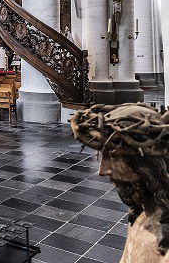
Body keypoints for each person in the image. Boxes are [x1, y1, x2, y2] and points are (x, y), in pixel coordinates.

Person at [71, 103, 169, 262]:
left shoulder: (164, 246)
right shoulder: (141, 215)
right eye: (102, 157)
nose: (102, 171)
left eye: (113, 157)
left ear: (146, 163)